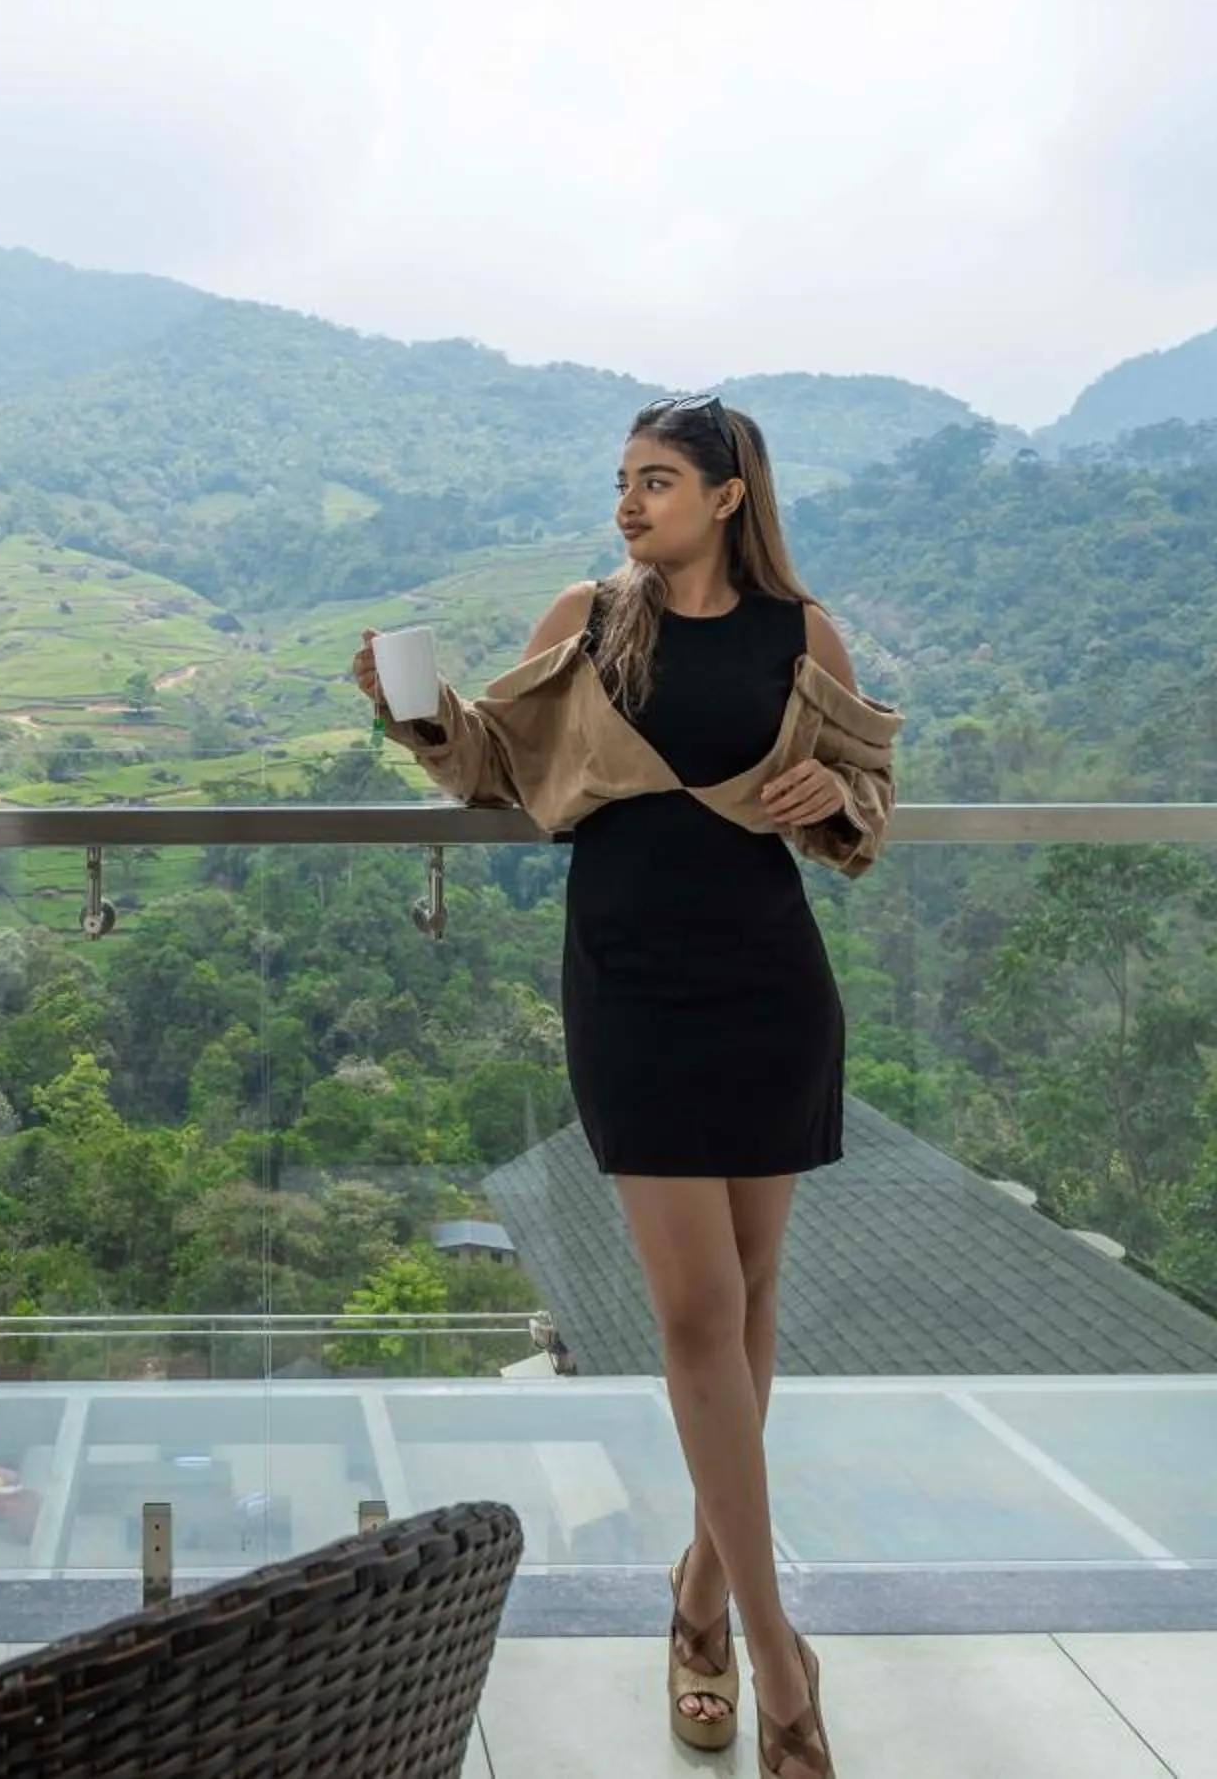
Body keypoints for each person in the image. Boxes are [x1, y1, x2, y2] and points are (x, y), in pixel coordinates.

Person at [352, 392, 898, 1775]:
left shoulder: (800, 634)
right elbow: (493, 765)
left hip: (768, 981)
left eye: (656, 481)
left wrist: (829, 804)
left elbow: (864, 795)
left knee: (753, 1303)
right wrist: (414, 713)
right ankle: (779, 1656)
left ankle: (702, 1595)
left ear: (728, 496)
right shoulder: (588, 620)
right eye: (621, 481)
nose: (628, 503)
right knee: (701, 1309)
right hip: (629, 983)